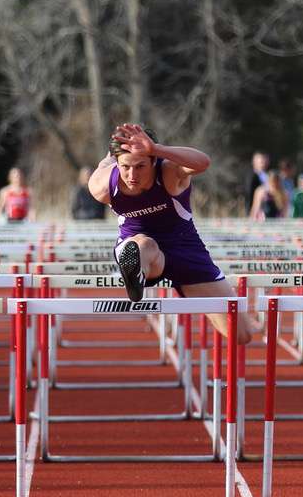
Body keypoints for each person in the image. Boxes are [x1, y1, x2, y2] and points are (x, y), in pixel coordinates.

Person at [88, 124, 252, 345]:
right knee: (143, 245)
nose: (132, 175)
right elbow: (105, 165)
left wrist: (157, 148)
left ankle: (183, 285)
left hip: (185, 248)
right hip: (141, 245)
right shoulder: (103, 186)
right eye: (126, 167)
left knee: (241, 334)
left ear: (153, 161)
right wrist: (111, 157)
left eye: (140, 166)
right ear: (117, 163)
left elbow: (203, 162)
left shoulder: (169, 172)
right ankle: (136, 273)